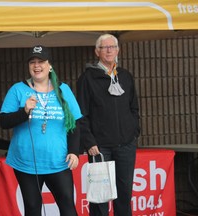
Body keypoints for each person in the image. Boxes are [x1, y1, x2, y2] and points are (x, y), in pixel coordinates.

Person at [0, 45, 82, 216]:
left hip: (58, 161)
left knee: (67, 205)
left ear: (49, 65)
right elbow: (4, 121)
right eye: (32, 62)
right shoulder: (18, 89)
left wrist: (74, 151)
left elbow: (75, 123)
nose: (37, 66)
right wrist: (24, 111)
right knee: (32, 207)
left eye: (41, 62)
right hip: (26, 163)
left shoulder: (63, 89)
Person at [77, 33, 140, 216]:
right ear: (97, 51)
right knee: (100, 198)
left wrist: (133, 132)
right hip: (99, 147)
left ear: (118, 50)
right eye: (105, 47)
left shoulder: (125, 76)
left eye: (113, 46)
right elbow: (81, 114)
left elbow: (134, 107)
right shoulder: (87, 78)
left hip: (126, 145)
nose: (109, 50)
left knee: (124, 194)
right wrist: (89, 142)